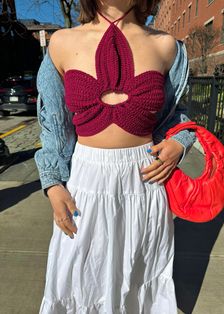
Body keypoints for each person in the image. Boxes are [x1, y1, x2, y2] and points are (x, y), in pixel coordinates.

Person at [34, 0, 196, 313]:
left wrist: (180, 142)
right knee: (77, 274)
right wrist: (53, 183)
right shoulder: (61, 42)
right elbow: (52, 122)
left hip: (145, 182)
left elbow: (178, 115)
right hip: (85, 182)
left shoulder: (166, 46)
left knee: (138, 277)